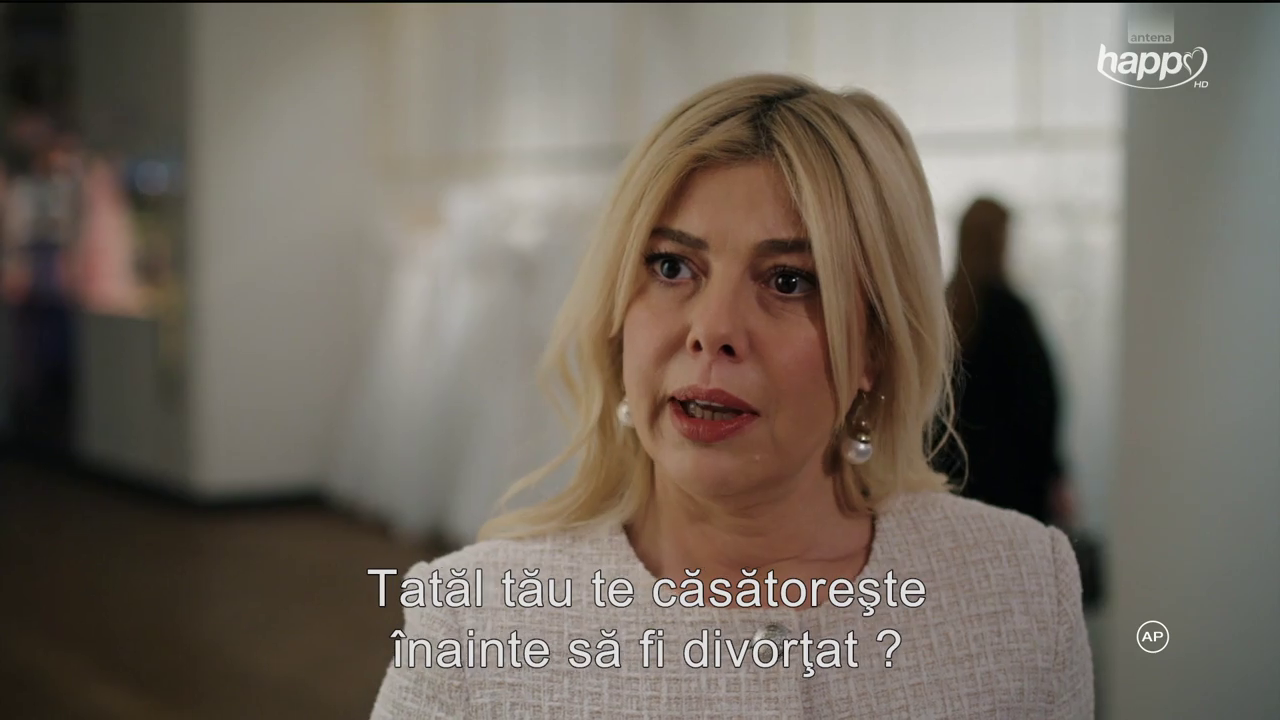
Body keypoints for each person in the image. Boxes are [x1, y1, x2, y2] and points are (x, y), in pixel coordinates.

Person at [370, 74, 1093, 718]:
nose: (713, 330)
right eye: (671, 266)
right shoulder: (475, 623)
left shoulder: (1022, 588)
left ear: (875, 346)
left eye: (788, 281)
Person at [937, 198, 1071, 527]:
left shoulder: (944, 309)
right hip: (1013, 482)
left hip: (952, 477)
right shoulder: (1009, 313)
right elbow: (1040, 404)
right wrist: (1055, 472)